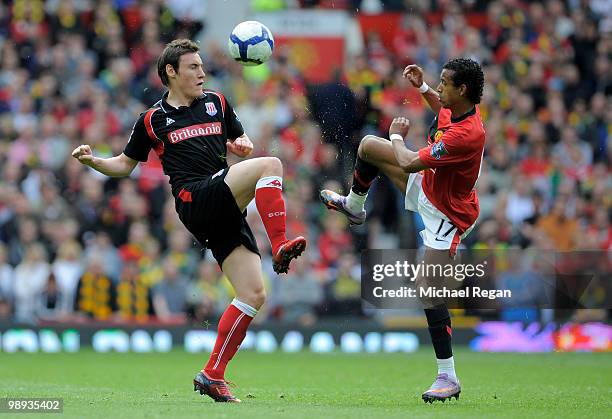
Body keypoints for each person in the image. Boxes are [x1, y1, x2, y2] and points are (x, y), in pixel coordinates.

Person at [72, 39, 306, 403]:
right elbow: (124, 164)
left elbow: (238, 137)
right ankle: (280, 247)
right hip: (194, 198)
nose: (202, 73)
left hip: (223, 201)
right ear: (171, 72)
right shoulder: (152, 119)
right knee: (271, 165)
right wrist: (94, 161)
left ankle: (212, 374)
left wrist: (241, 144)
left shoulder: (217, 102)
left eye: (201, 66)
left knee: (253, 294)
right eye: (193, 67)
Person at [320, 58, 485, 403]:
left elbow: (409, 161)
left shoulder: (467, 135)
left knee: (427, 288)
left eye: (444, 82)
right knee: (366, 147)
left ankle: (447, 376)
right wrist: (423, 88)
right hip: (430, 187)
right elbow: (439, 108)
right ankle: (354, 205)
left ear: (463, 89)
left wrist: (395, 135)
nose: (440, 87)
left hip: (447, 214)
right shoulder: (456, 111)